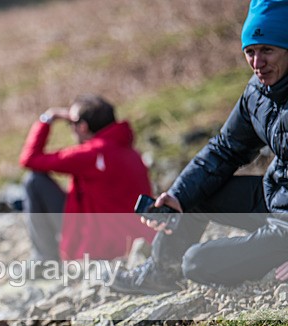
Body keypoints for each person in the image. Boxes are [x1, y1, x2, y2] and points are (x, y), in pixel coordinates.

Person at [109, 0, 288, 295]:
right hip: (274, 198)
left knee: (196, 263)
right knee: (196, 194)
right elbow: (225, 149)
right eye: (250, 52)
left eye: (267, 50)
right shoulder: (258, 93)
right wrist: (178, 196)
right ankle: (159, 273)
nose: (258, 63)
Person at [18, 94, 154, 262]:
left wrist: (47, 118)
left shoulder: (91, 154)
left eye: (71, 123)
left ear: (83, 127)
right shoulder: (131, 152)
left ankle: (45, 259)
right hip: (136, 238)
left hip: (102, 244)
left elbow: (29, 159)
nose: (71, 128)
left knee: (34, 181)